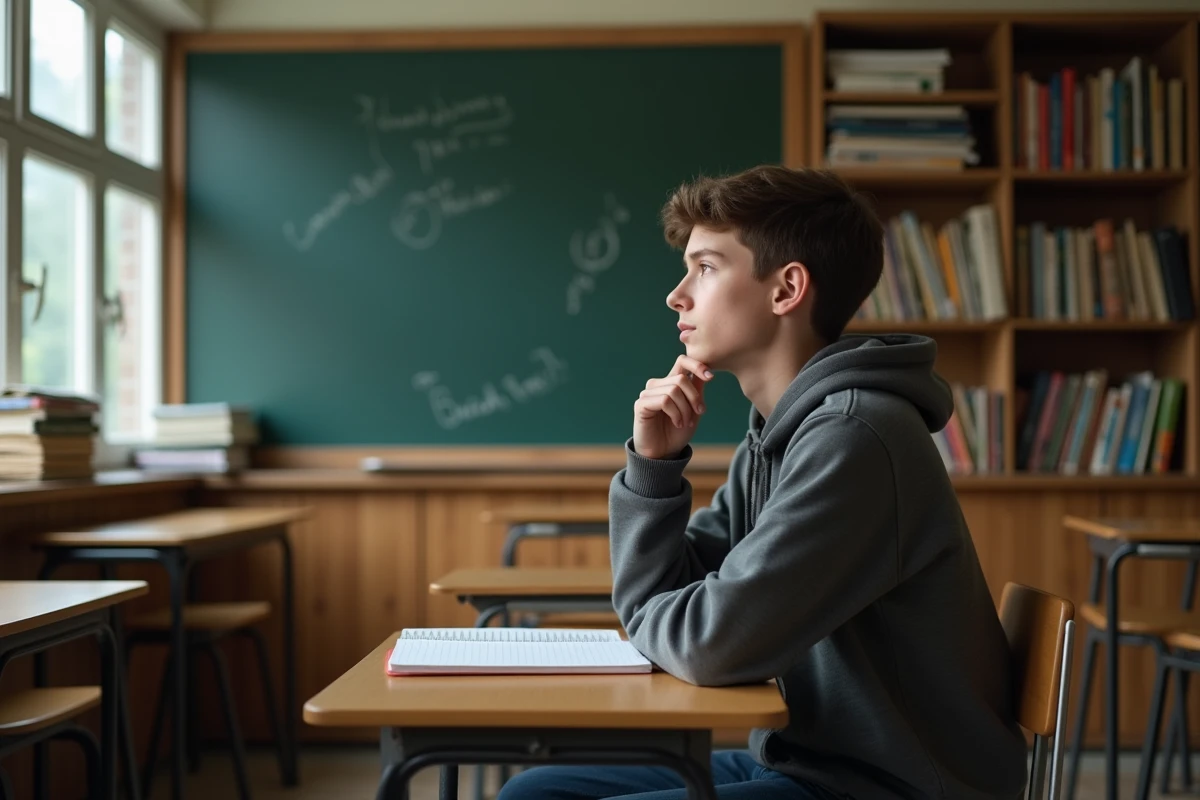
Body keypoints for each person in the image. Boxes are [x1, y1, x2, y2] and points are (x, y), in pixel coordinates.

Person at [497, 165, 1028, 800]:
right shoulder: (782, 431)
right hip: (810, 760)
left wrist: (658, 620)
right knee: (537, 792)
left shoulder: (854, 436)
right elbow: (688, 589)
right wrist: (653, 468)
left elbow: (707, 643)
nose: (677, 295)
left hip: (887, 785)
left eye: (707, 267)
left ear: (786, 290)